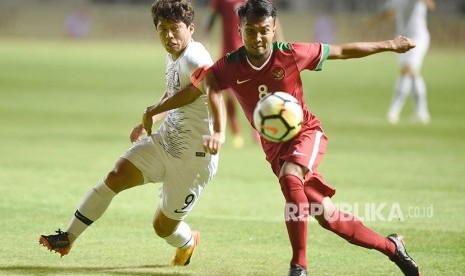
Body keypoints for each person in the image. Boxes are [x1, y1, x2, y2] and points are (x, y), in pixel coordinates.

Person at [197, 0, 420, 275]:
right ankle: (393, 247)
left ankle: (298, 266)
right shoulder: (230, 66)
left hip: (306, 133)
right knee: (330, 219)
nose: (257, 37)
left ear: (274, 28)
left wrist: (389, 44)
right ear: (239, 30)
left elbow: (340, 51)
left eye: (264, 30)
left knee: (291, 177)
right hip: (275, 152)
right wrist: (162, 111)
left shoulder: (290, 54)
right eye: (250, 30)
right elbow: (207, 85)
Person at [39, 0, 221, 267]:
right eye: (162, 29)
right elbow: (174, 91)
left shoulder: (195, 56)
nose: (169, 35)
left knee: (162, 227)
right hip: (166, 142)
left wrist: (156, 110)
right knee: (116, 175)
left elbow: (202, 86)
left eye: (175, 28)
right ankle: (68, 237)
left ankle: (188, 242)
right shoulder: (174, 55)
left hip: (194, 158)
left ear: (191, 28)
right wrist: (153, 116)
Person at [204, 0, 283, 147]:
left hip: (254, 50)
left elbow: (272, 18)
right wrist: (206, 37)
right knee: (228, 92)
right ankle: (236, 132)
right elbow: (212, 17)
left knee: (257, 90)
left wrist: (279, 41)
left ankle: (258, 129)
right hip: (229, 50)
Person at [374, 0, 435, 124]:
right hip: (402, 39)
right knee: (412, 73)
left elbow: (431, 5)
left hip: (418, 37)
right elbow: (390, 12)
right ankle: (422, 112)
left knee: (407, 70)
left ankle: (394, 111)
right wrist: (377, 20)